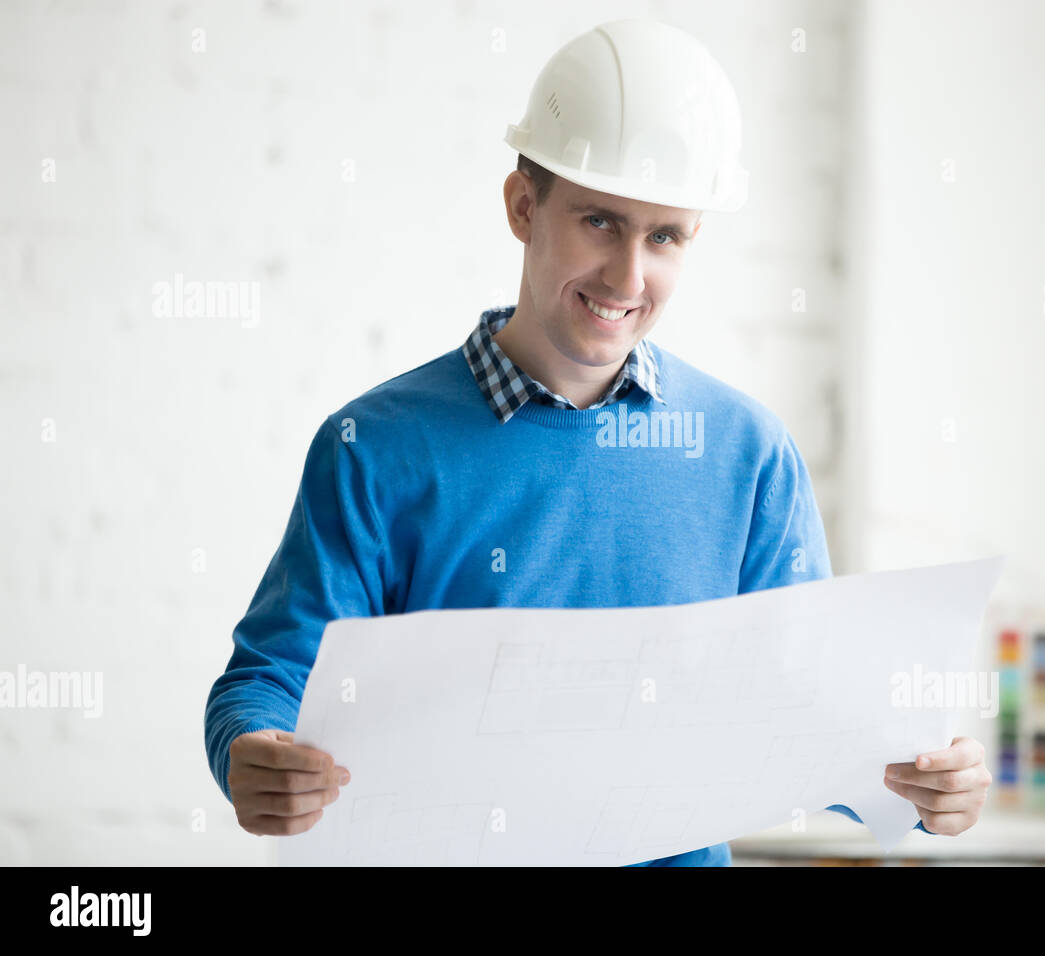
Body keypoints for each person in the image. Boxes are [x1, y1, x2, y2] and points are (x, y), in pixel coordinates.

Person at [204, 18, 990, 867]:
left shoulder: (748, 456)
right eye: (600, 223)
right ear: (522, 207)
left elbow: (804, 722)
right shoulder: (373, 449)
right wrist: (254, 752)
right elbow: (270, 679)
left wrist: (921, 786)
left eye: (665, 237)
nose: (627, 278)